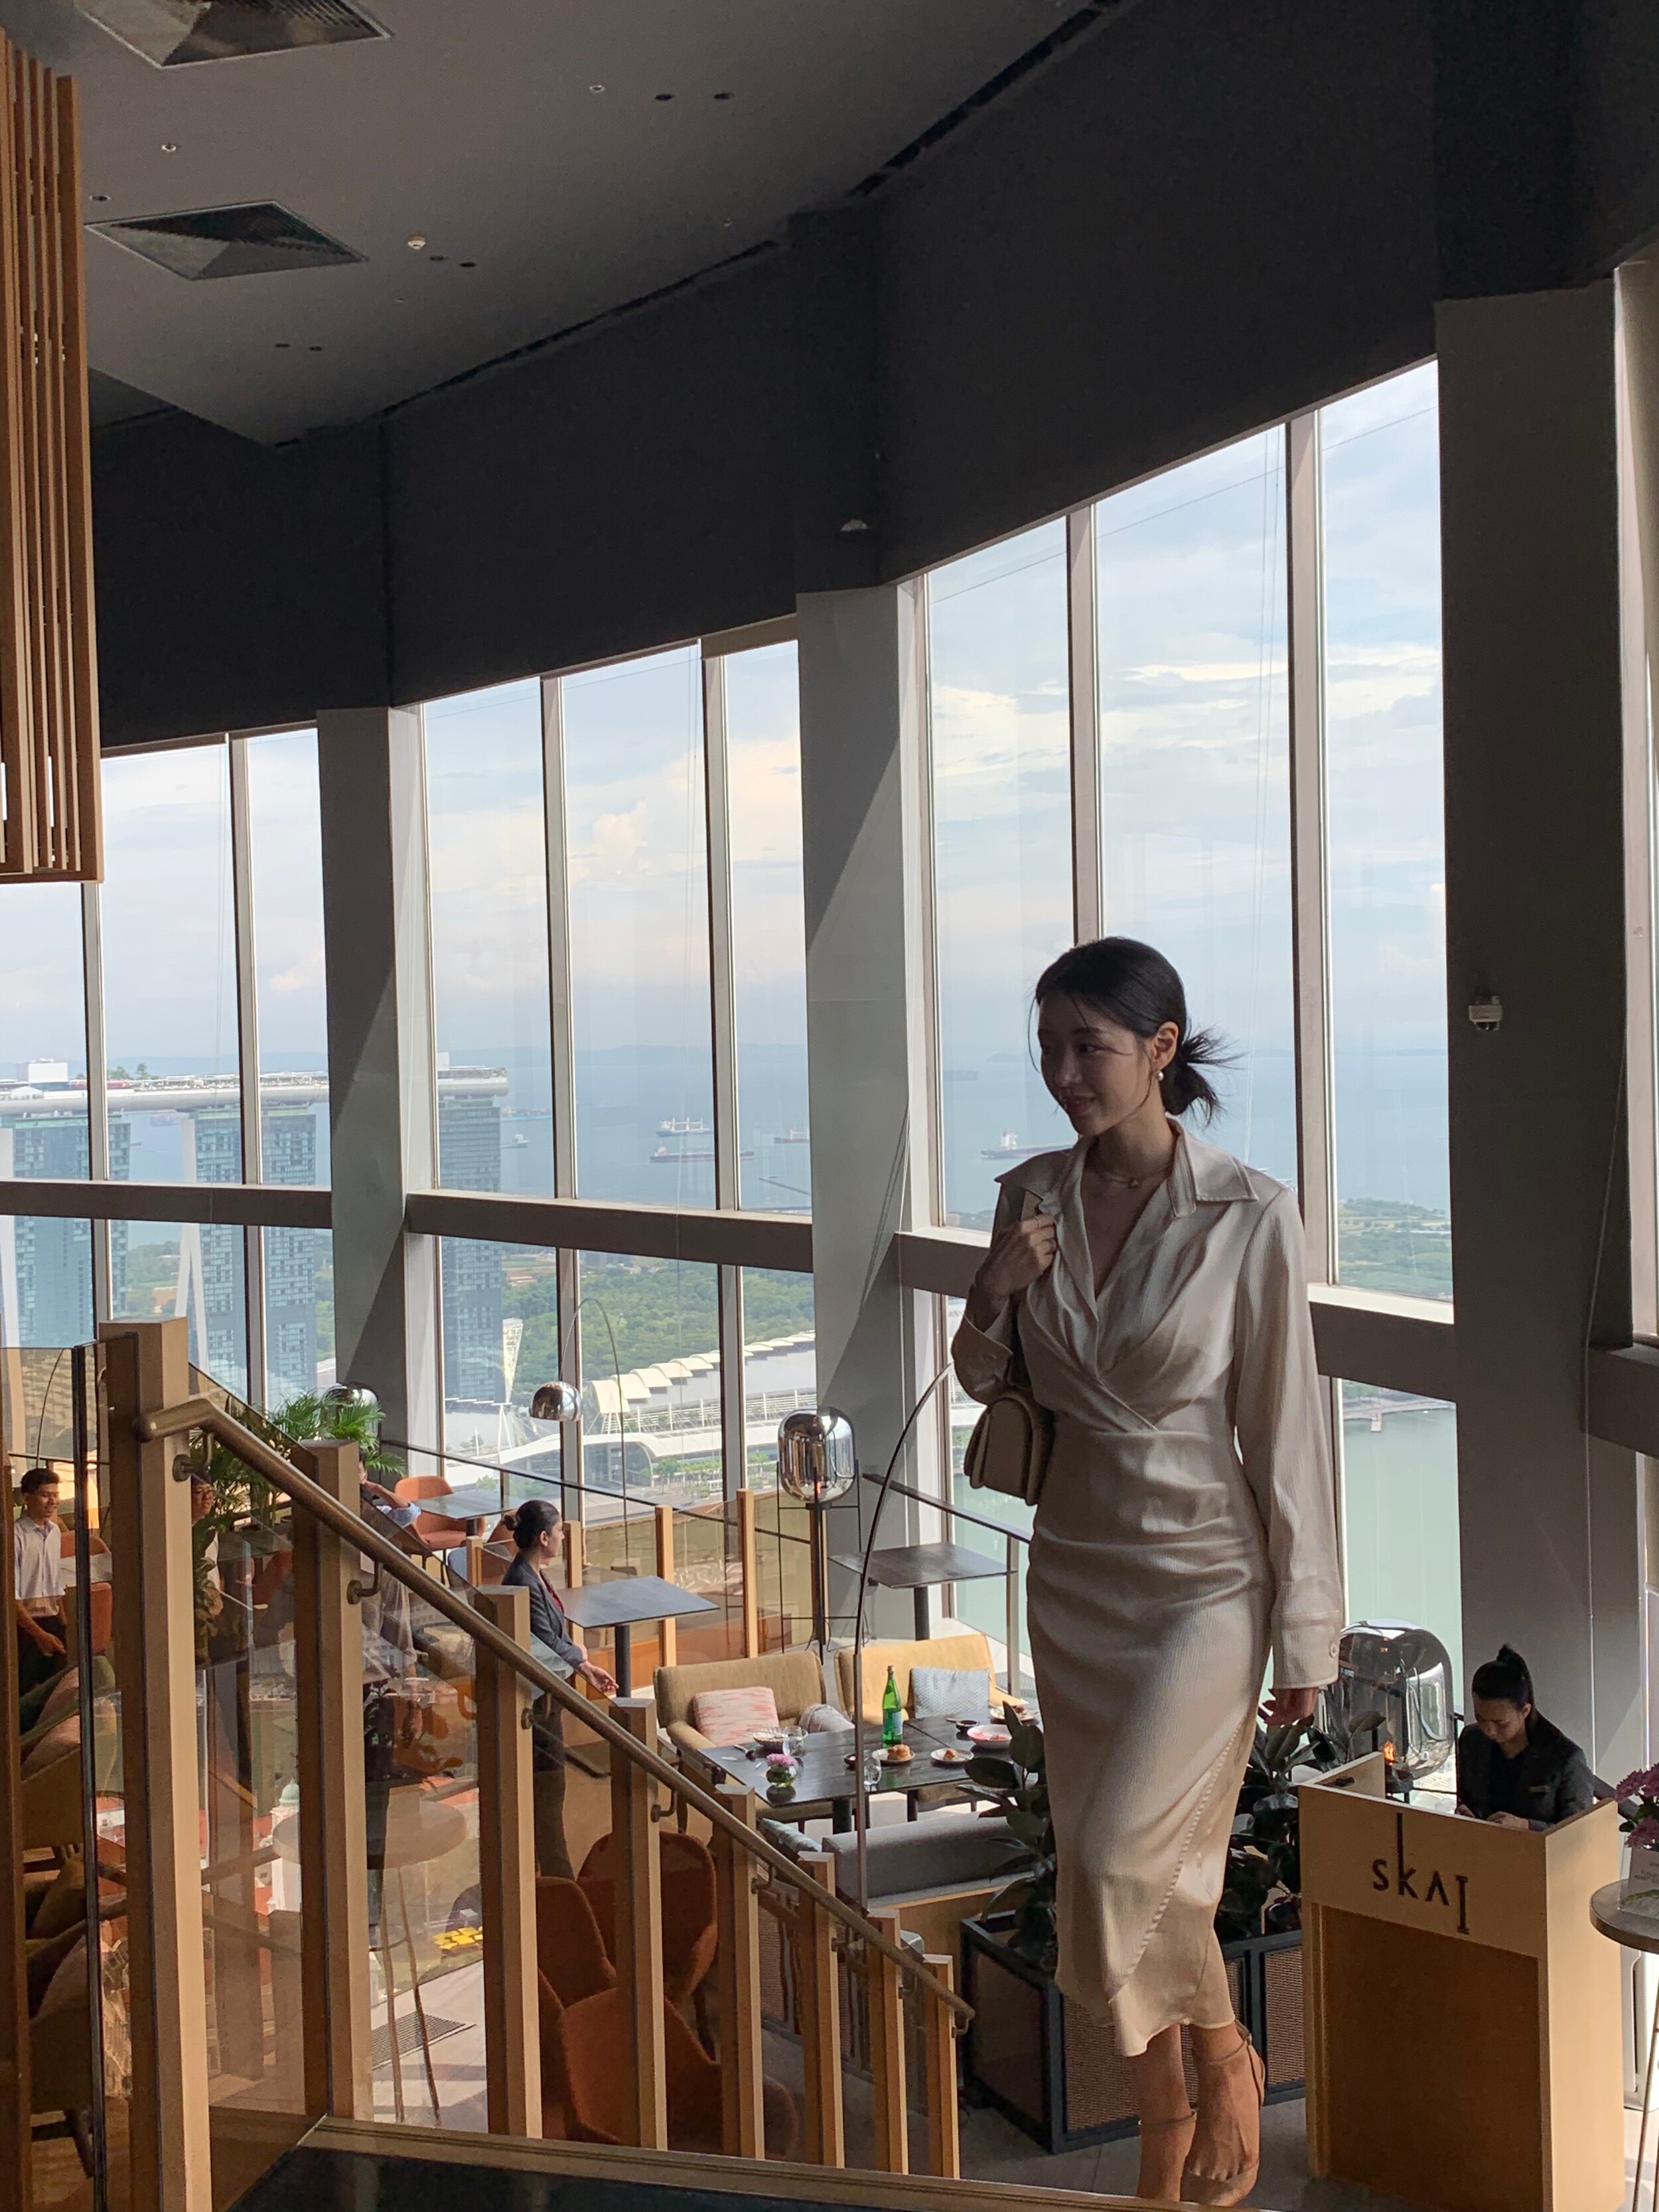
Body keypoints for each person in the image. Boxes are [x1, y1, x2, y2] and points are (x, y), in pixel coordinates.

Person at [954, 937, 1342, 2208]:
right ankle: (1162, 2126)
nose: (1064, 1071)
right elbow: (985, 1378)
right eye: (1049, 1046)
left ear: (1162, 1048)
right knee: (1111, 1868)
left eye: (1092, 1045)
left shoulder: (1249, 1212)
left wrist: (1309, 1635)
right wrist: (990, 1291)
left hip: (1203, 1585)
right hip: (1075, 1576)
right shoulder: (1029, 1196)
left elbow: (1286, 1433)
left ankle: (1222, 2055)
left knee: (1123, 1856)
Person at [501, 1498, 617, 1881]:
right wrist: (578, 1655)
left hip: (548, 1697)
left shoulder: (533, 1574)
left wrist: (584, 1666)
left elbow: (553, 1634)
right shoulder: (522, 1581)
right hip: (537, 1702)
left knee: (551, 1792)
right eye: (559, 1531)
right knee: (549, 1793)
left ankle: (553, 1877)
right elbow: (544, 1639)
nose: (564, 1537)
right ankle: (559, 1882)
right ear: (543, 1537)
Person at [1455, 1645, 1596, 1830]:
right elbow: (1469, 1799)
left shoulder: (1565, 1759)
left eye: (1500, 1723)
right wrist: (1467, 1814)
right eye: (1480, 1718)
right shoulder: (1472, 1740)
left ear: (1525, 1711)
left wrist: (1526, 1826)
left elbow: (1578, 1831)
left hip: (1537, 1848)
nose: (1489, 1730)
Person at [13, 1467, 67, 1701]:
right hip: (25, 1626)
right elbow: (11, 1596)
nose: (53, 1501)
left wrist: (63, 1620)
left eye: (56, 1495)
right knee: (24, 1693)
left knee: (54, 1694)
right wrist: (38, 1634)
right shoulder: (15, 1535)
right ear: (27, 1497)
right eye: (46, 1495)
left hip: (52, 1620)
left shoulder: (55, 1532)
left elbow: (55, 1580)